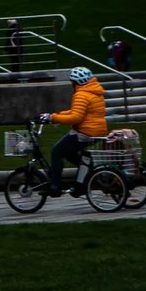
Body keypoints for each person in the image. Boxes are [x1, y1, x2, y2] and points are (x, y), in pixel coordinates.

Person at [45, 65, 108, 196]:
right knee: (68, 152)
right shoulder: (95, 91)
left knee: (56, 151)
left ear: (76, 83)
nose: (71, 85)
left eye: (72, 82)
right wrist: (57, 114)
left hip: (85, 132)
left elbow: (76, 117)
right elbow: (79, 111)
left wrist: (54, 118)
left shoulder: (81, 94)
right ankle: (83, 178)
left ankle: (56, 186)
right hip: (98, 130)